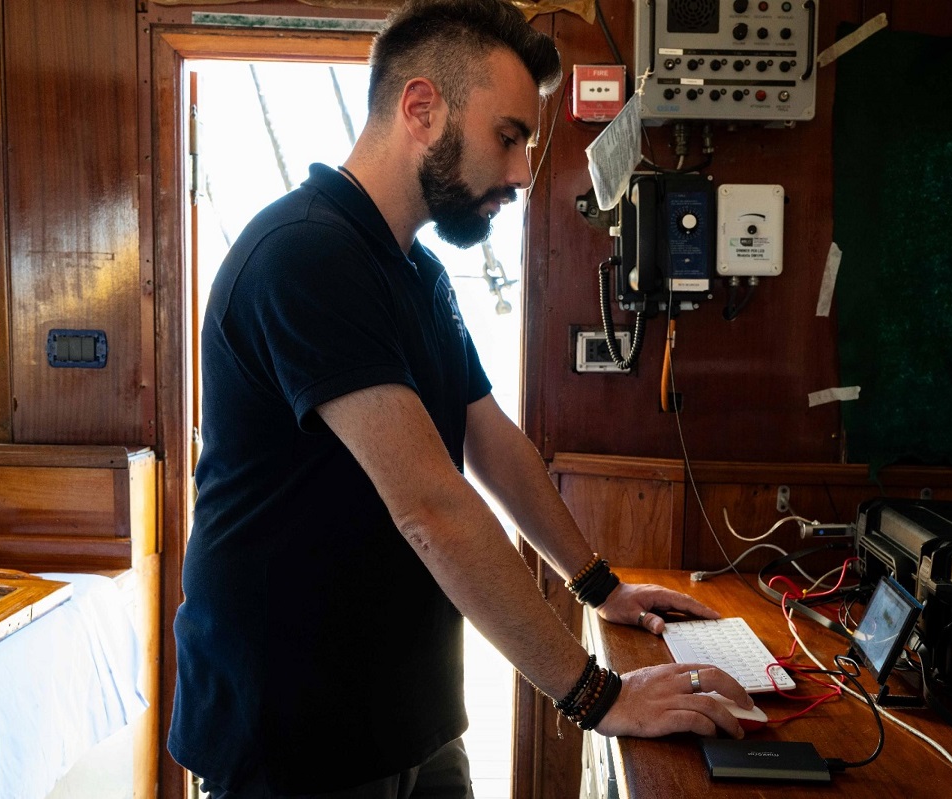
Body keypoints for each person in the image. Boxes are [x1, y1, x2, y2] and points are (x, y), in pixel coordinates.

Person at [167, 0, 754, 795]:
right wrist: (599, 696)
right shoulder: (305, 254)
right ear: (421, 108)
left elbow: (489, 438)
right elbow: (432, 506)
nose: (520, 173)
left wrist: (598, 585)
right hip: (293, 726)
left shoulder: (415, 271)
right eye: (508, 137)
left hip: (406, 707)